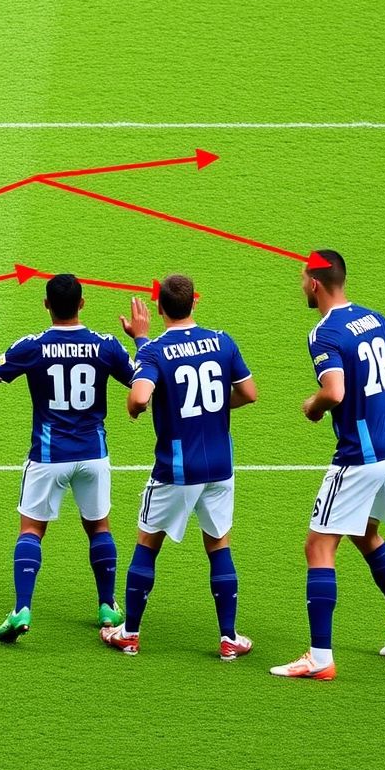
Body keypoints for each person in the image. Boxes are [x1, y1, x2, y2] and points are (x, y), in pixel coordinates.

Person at [0, 274, 141, 642]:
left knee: (31, 531)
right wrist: (139, 338)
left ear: (46, 305)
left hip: (48, 456)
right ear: (82, 303)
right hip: (93, 455)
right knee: (99, 528)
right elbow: (142, 382)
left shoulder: (33, 346)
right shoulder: (106, 345)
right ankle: (107, 605)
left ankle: (22, 609)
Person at [270, 250, 385, 680]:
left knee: (318, 546)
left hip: (361, 456)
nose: (301, 285)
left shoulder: (324, 333)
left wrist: (313, 405)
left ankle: (319, 659)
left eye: (302, 278)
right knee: (365, 534)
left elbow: (334, 391)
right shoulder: (372, 317)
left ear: (315, 283)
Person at [101, 274, 257, 660]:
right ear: (194, 302)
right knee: (218, 544)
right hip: (220, 466)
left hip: (176, 469)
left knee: (147, 543)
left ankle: (130, 633)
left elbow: (140, 397)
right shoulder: (222, 341)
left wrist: (134, 406)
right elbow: (249, 393)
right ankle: (229, 638)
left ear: (159, 307)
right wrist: (213, 408)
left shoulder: (155, 350)